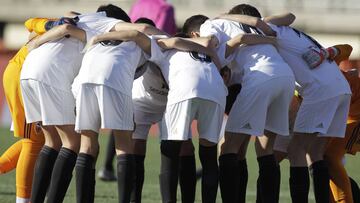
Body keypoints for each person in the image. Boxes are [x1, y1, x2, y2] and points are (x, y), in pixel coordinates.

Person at [218, 6, 351, 202]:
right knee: (316, 153)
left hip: (319, 89)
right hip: (341, 88)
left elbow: (265, 21)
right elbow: (291, 15)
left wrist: (224, 17)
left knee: (297, 150)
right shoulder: (289, 33)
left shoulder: (265, 28)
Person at [183, 8, 295, 202]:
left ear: (195, 33)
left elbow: (217, 43)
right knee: (266, 150)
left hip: (261, 76)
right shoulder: (247, 25)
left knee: (227, 149)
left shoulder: (210, 25)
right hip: (285, 77)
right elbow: (288, 17)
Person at [0, 17, 68, 203]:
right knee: (33, 141)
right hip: (24, 76)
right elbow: (31, 23)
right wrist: (49, 25)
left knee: (44, 139)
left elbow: (31, 26)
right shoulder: (65, 25)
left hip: (32, 78)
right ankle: (23, 200)